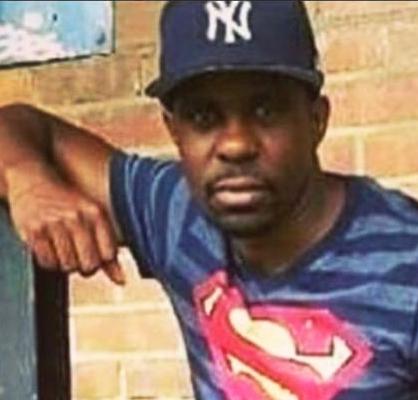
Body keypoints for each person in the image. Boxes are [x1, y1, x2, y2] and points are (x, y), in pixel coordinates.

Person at [0, 1, 417, 399]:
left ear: (316, 120)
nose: (235, 144)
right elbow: (17, 125)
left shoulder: (404, 262)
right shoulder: (177, 212)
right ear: (174, 131)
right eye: (204, 117)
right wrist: (31, 184)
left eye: (265, 111)